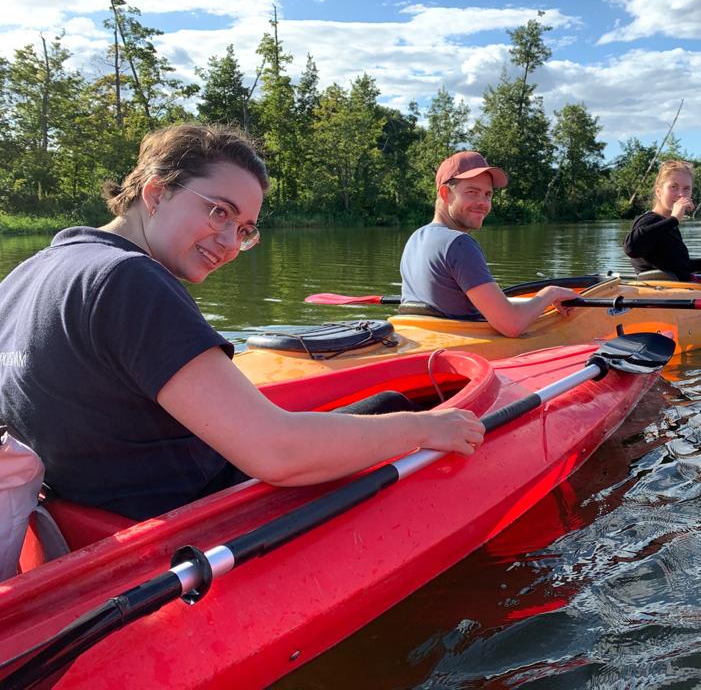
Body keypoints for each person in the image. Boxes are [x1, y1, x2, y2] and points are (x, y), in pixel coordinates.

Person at [0, 124, 484, 522]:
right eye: (219, 212)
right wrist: (427, 428)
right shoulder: (128, 279)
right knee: (396, 406)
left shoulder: (24, 277)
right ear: (155, 192)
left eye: (245, 229)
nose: (231, 242)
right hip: (200, 521)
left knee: (383, 406)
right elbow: (275, 453)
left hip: (96, 516)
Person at [400, 151, 578, 337]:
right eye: (472, 192)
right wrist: (551, 293)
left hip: (420, 339)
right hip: (462, 353)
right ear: (446, 193)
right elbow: (512, 325)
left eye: (488, 194)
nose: (483, 203)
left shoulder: (415, 238)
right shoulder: (459, 244)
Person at [623, 160, 701, 280]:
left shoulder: (667, 225)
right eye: (673, 187)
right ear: (658, 192)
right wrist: (674, 219)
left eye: (686, 189)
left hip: (680, 288)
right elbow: (631, 249)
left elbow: (678, 265)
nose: (681, 194)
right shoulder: (649, 220)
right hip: (664, 292)